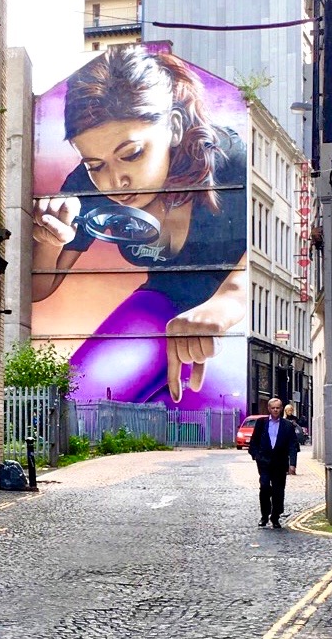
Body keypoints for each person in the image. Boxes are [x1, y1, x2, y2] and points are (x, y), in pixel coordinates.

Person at [32, 44, 247, 407]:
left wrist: (230, 299)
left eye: (131, 154)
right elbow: (39, 290)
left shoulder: (230, 158)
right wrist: (51, 240)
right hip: (158, 302)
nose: (115, 181)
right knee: (75, 403)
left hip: (232, 315)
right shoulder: (85, 184)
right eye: (96, 164)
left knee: (208, 412)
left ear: (174, 127)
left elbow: (265, 250)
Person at [248, 398, 299, 529]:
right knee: (264, 486)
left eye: (278, 408)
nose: (275, 410)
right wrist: (257, 456)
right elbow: (253, 442)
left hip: (280, 463)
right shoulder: (261, 423)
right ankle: (264, 515)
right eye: (273, 408)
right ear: (269, 409)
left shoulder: (287, 425)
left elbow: (293, 445)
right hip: (264, 462)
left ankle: (275, 516)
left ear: (281, 408)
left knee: (278, 490)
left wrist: (292, 464)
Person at [284, 403, 302, 474]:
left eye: (291, 410)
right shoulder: (283, 419)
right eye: (288, 410)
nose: (290, 411)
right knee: (285, 454)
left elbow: (299, 427)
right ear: (285, 411)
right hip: (285, 439)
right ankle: (286, 469)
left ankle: (292, 469)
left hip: (294, 438)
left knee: (293, 453)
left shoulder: (295, 418)